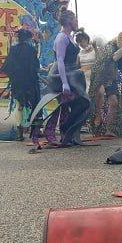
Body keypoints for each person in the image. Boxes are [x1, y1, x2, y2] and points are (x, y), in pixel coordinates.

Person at [44, 9, 90, 146]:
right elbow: (60, 61)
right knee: (83, 102)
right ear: (69, 21)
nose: (77, 22)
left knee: (81, 104)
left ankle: (69, 132)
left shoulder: (69, 36)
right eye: (75, 19)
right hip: (59, 76)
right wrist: (64, 83)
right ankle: (61, 128)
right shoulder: (61, 38)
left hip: (71, 75)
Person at [0, 28, 41, 140]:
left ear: (18, 38)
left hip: (17, 82)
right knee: (32, 104)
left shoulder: (13, 49)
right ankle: (33, 130)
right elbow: (35, 66)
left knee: (19, 106)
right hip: (30, 82)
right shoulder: (32, 50)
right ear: (28, 38)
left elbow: (8, 66)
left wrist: (13, 77)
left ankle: (20, 133)